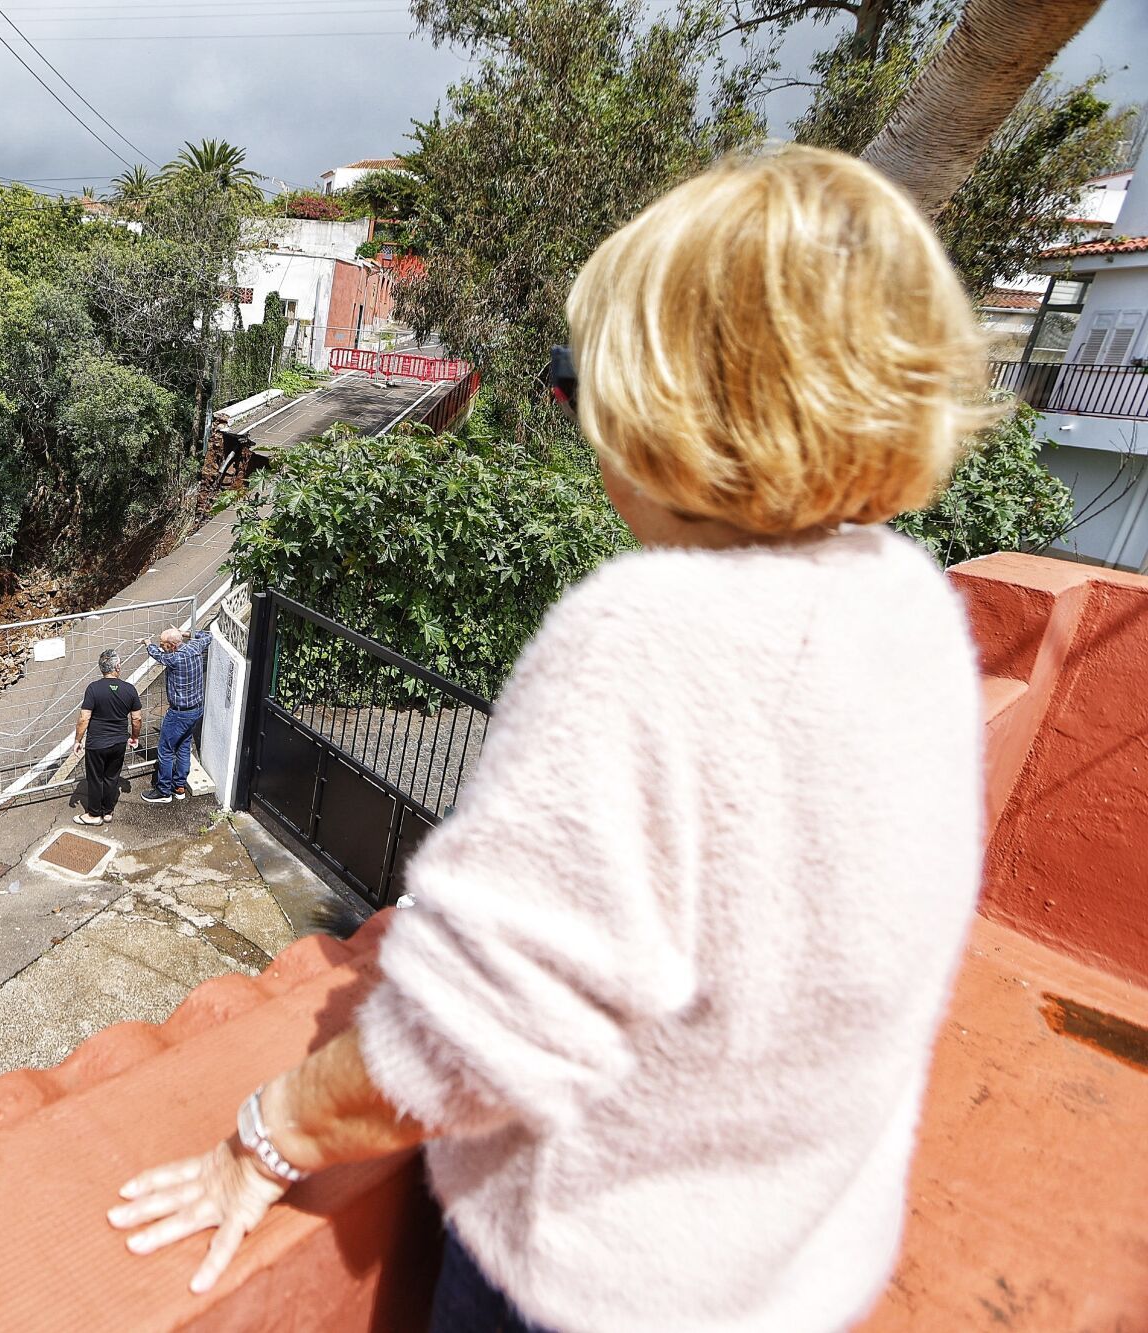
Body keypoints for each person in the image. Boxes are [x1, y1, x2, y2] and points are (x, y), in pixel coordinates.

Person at [106, 145, 997, 1332]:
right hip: (796, 1270)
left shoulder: (652, 635)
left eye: (591, 385)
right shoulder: (907, 600)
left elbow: (469, 1042)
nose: (584, 424)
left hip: (600, 1285)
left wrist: (261, 1137)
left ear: (667, 401)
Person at [139, 626, 213, 804]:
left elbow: (157, 655)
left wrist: (148, 643)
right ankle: (179, 786)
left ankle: (164, 791)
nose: (161, 646)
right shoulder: (195, 647)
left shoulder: (174, 658)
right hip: (196, 710)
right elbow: (208, 636)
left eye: (163, 644)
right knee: (183, 746)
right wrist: (184, 633)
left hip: (179, 713)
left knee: (165, 750)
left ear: (172, 645)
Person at [73, 648, 141, 826]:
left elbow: (84, 718)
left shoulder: (93, 688)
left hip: (96, 743)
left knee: (95, 778)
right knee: (112, 776)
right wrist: (134, 737)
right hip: (118, 742)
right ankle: (108, 811)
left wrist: (78, 740)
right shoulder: (129, 689)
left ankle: (94, 814)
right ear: (117, 667)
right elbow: (136, 718)